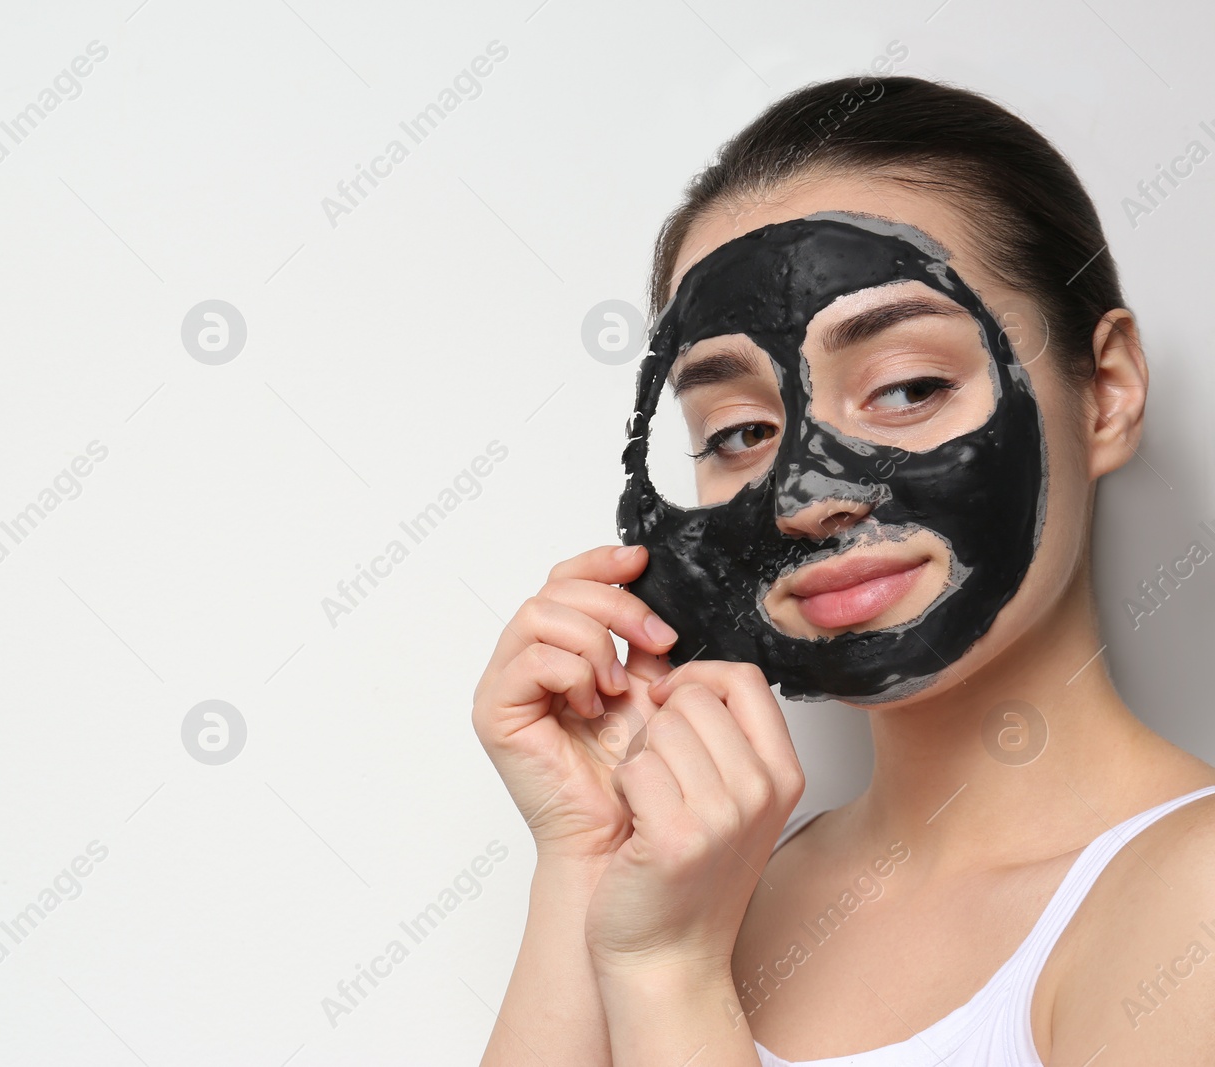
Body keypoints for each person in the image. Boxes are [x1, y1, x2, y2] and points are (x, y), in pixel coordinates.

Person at [471, 75, 1215, 1066]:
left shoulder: (1193, 904)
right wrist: (585, 853)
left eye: (907, 387)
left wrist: (672, 976)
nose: (800, 496)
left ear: (1108, 392)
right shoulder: (708, 885)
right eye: (738, 430)